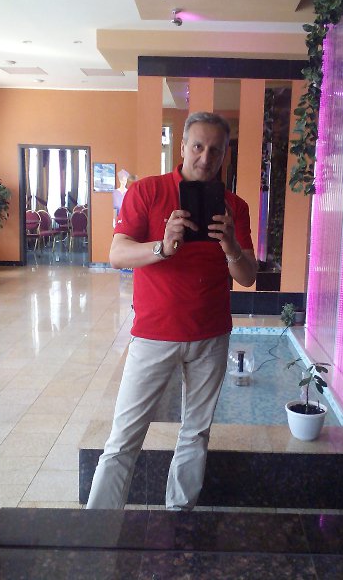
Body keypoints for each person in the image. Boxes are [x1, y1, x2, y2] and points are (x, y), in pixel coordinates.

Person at [86, 111, 257, 511]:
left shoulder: (235, 207)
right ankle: (95, 527)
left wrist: (230, 245)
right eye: (197, 146)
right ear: (182, 146)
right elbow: (116, 254)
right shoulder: (147, 191)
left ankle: (179, 519)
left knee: (196, 433)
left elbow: (248, 276)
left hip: (211, 336)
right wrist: (162, 247)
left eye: (215, 150)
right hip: (153, 335)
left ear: (225, 154)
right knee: (123, 438)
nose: (205, 157)